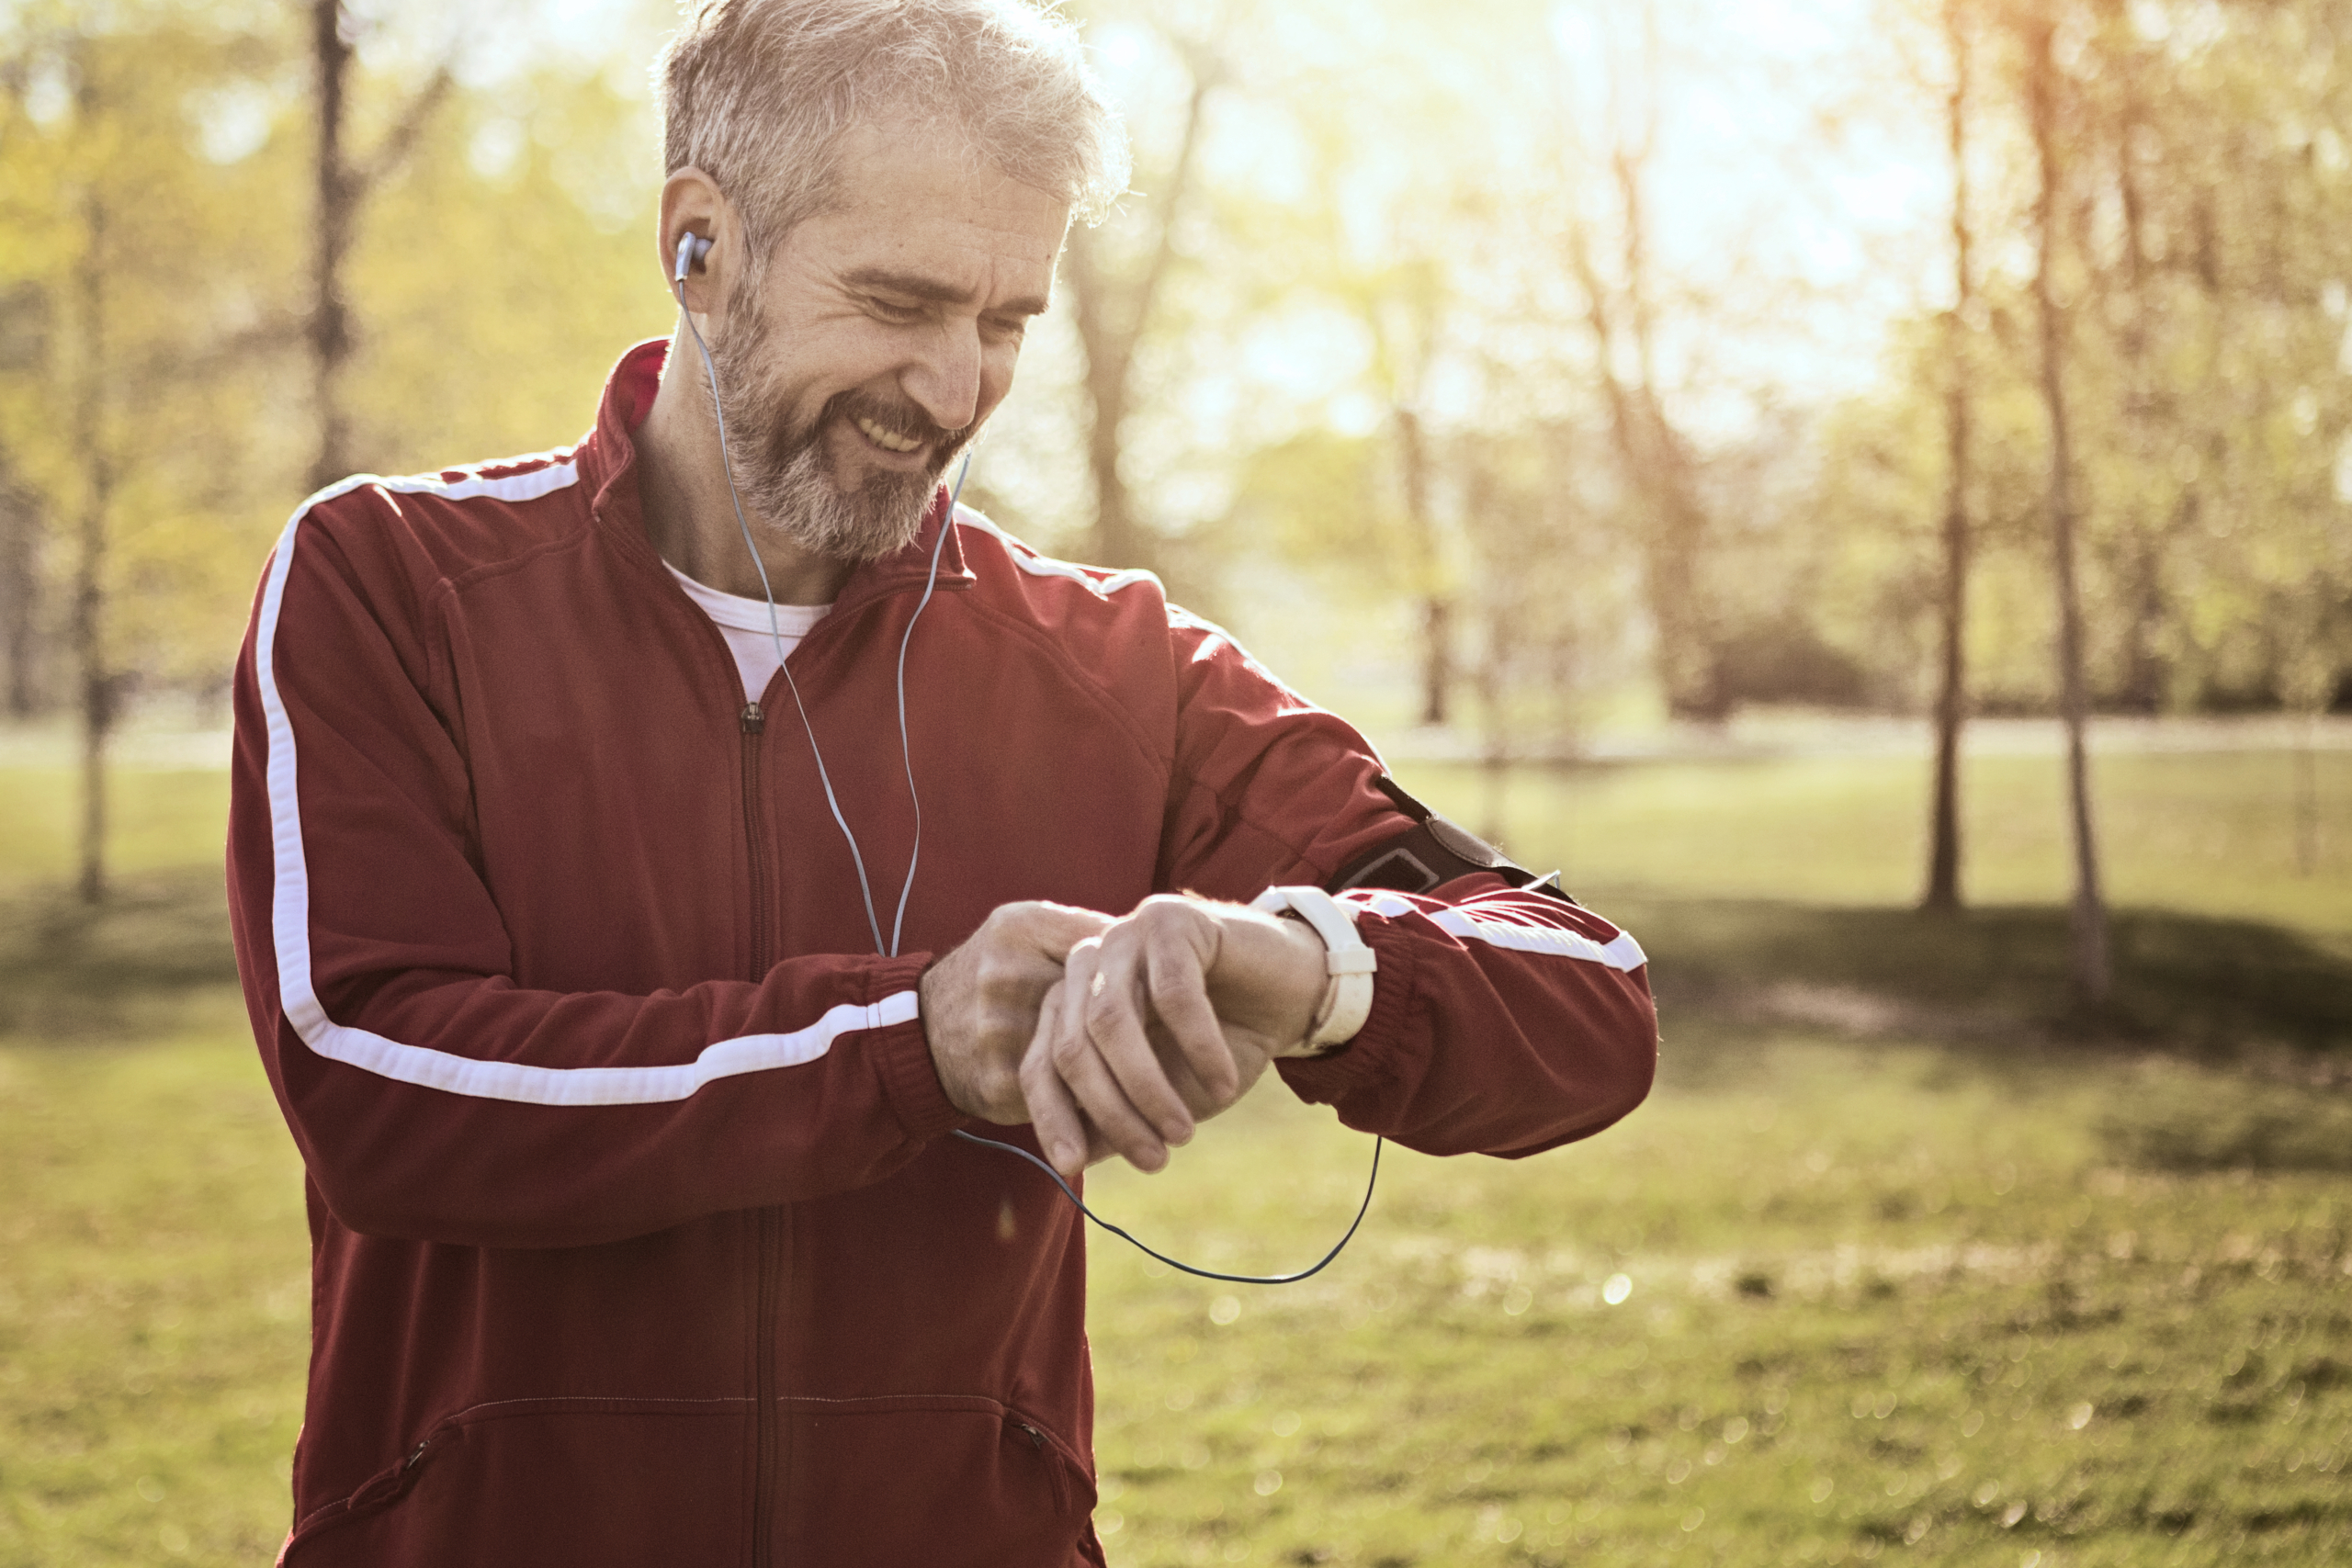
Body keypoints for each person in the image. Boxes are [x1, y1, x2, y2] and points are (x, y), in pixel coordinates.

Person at [224, 1, 1657, 1562]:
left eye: (1007, 321)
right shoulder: (390, 580)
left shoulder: (1115, 665)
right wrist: (905, 1043)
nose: (957, 386)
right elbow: (378, 1083)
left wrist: (1300, 964)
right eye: (900, 301)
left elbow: (1591, 1000)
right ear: (701, 242)